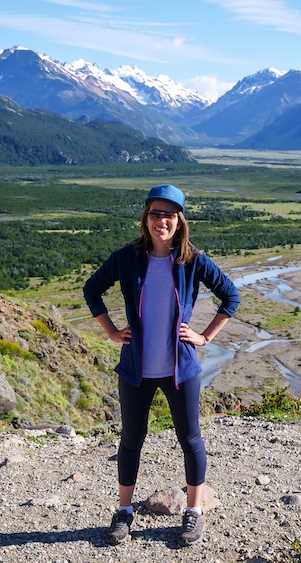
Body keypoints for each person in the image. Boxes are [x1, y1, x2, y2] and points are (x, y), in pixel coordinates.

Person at [83, 183, 240, 547]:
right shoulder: (126, 258)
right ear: (146, 218)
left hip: (179, 370)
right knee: (131, 440)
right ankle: (123, 512)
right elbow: (92, 289)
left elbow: (231, 295)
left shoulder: (193, 260)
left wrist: (204, 337)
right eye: (156, 213)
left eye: (169, 215)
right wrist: (110, 331)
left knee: (190, 440)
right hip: (136, 369)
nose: (162, 221)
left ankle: (194, 512)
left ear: (179, 221)